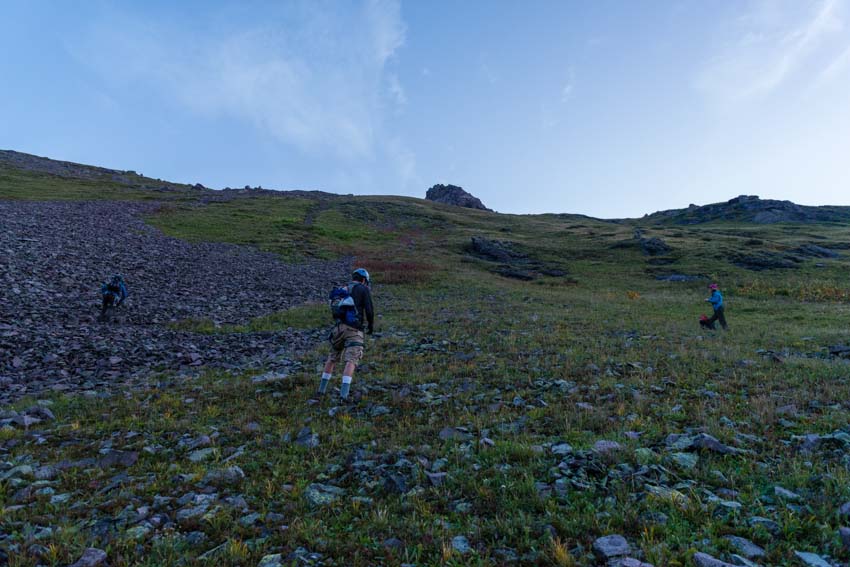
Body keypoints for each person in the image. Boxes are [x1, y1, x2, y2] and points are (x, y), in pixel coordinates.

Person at [318, 268, 374, 401]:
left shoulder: (343, 289)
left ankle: (321, 390)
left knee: (332, 358)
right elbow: (369, 310)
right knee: (351, 360)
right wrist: (370, 326)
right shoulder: (363, 289)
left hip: (338, 329)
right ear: (364, 279)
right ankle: (344, 395)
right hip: (354, 329)